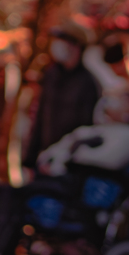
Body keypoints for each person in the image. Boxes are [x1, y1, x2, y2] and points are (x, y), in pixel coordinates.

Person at [22, 20, 99, 172]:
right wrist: (30, 160)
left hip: (69, 164)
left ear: (76, 46)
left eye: (62, 41)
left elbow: (87, 128)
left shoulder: (88, 83)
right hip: (45, 158)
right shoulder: (51, 75)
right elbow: (41, 118)